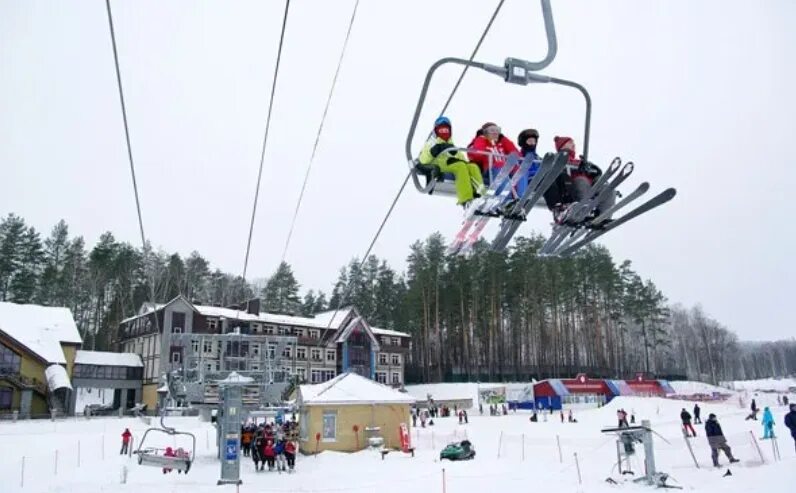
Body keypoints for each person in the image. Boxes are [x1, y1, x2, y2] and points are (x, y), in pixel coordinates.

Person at [545, 136, 615, 225]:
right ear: (562, 146)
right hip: (572, 184)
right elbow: (555, 171)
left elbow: (595, 171)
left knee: (607, 188)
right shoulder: (559, 159)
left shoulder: (579, 160)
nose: (573, 145)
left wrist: (592, 170)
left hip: (589, 184)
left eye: (573, 143)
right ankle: (582, 211)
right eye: (570, 143)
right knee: (582, 181)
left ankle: (604, 215)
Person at [417, 116, 485, 208]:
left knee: (472, 167)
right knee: (460, 166)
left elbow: (463, 160)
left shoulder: (452, 145)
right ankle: (466, 201)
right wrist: (434, 151)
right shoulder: (431, 143)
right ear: (436, 131)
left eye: (446, 130)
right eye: (441, 130)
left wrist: (471, 164)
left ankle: (481, 196)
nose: (444, 132)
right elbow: (423, 159)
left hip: (453, 164)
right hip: (441, 167)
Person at [468, 122, 522, 203]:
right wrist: (481, 138)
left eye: (497, 130)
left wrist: (504, 139)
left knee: (520, 170)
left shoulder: (501, 144)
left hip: (505, 171)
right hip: (490, 171)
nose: (495, 132)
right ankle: (505, 199)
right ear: (485, 132)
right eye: (492, 130)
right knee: (500, 166)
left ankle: (520, 199)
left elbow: (516, 154)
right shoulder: (482, 141)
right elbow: (477, 155)